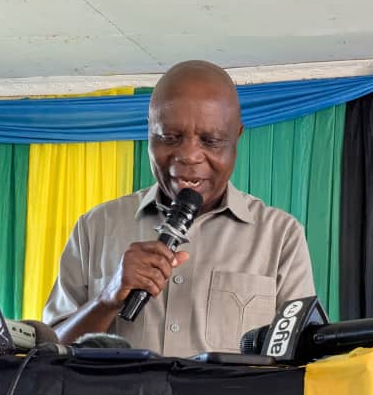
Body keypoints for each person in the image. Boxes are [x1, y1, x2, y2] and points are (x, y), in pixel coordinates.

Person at [42, 60, 316, 356]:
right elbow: (47, 354)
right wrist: (106, 299)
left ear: (236, 137)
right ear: (149, 131)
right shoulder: (95, 227)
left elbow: (301, 362)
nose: (188, 156)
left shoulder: (281, 236)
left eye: (211, 141)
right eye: (169, 138)